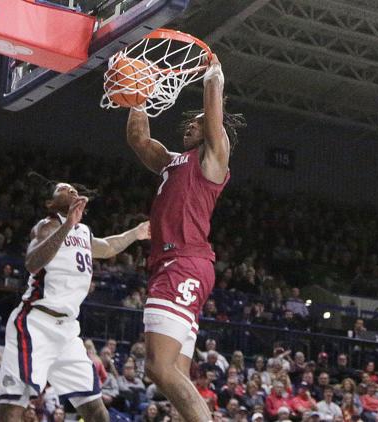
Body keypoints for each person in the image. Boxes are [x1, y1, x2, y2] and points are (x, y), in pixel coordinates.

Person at [125, 53, 246, 422]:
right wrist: (137, 96)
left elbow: (214, 118)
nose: (188, 129)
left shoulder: (212, 160)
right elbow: (140, 141)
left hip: (184, 262)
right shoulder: (174, 161)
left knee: (158, 368)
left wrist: (213, 76)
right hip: (175, 264)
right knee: (171, 376)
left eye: (196, 125)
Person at [0, 181, 150, 421]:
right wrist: (67, 224)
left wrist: (136, 233)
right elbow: (32, 263)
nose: (71, 190)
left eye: (73, 188)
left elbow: (108, 247)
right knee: (13, 407)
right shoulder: (46, 226)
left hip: (67, 331)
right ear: (51, 203)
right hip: (35, 324)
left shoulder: (84, 232)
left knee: (96, 410)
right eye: (63, 189)